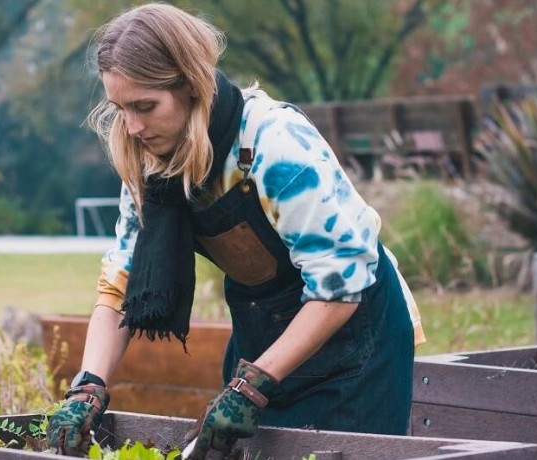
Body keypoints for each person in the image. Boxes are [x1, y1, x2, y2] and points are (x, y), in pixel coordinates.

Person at [46, 3, 426, 458]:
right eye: (120, 109)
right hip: (262, 339)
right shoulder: (151, 168)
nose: (132, 127)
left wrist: (252, 385)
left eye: (145, 107)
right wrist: (88, 387)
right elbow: (119, 287)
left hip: (355, 346)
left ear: (190, 84)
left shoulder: (275, 144)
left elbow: (339, 287)